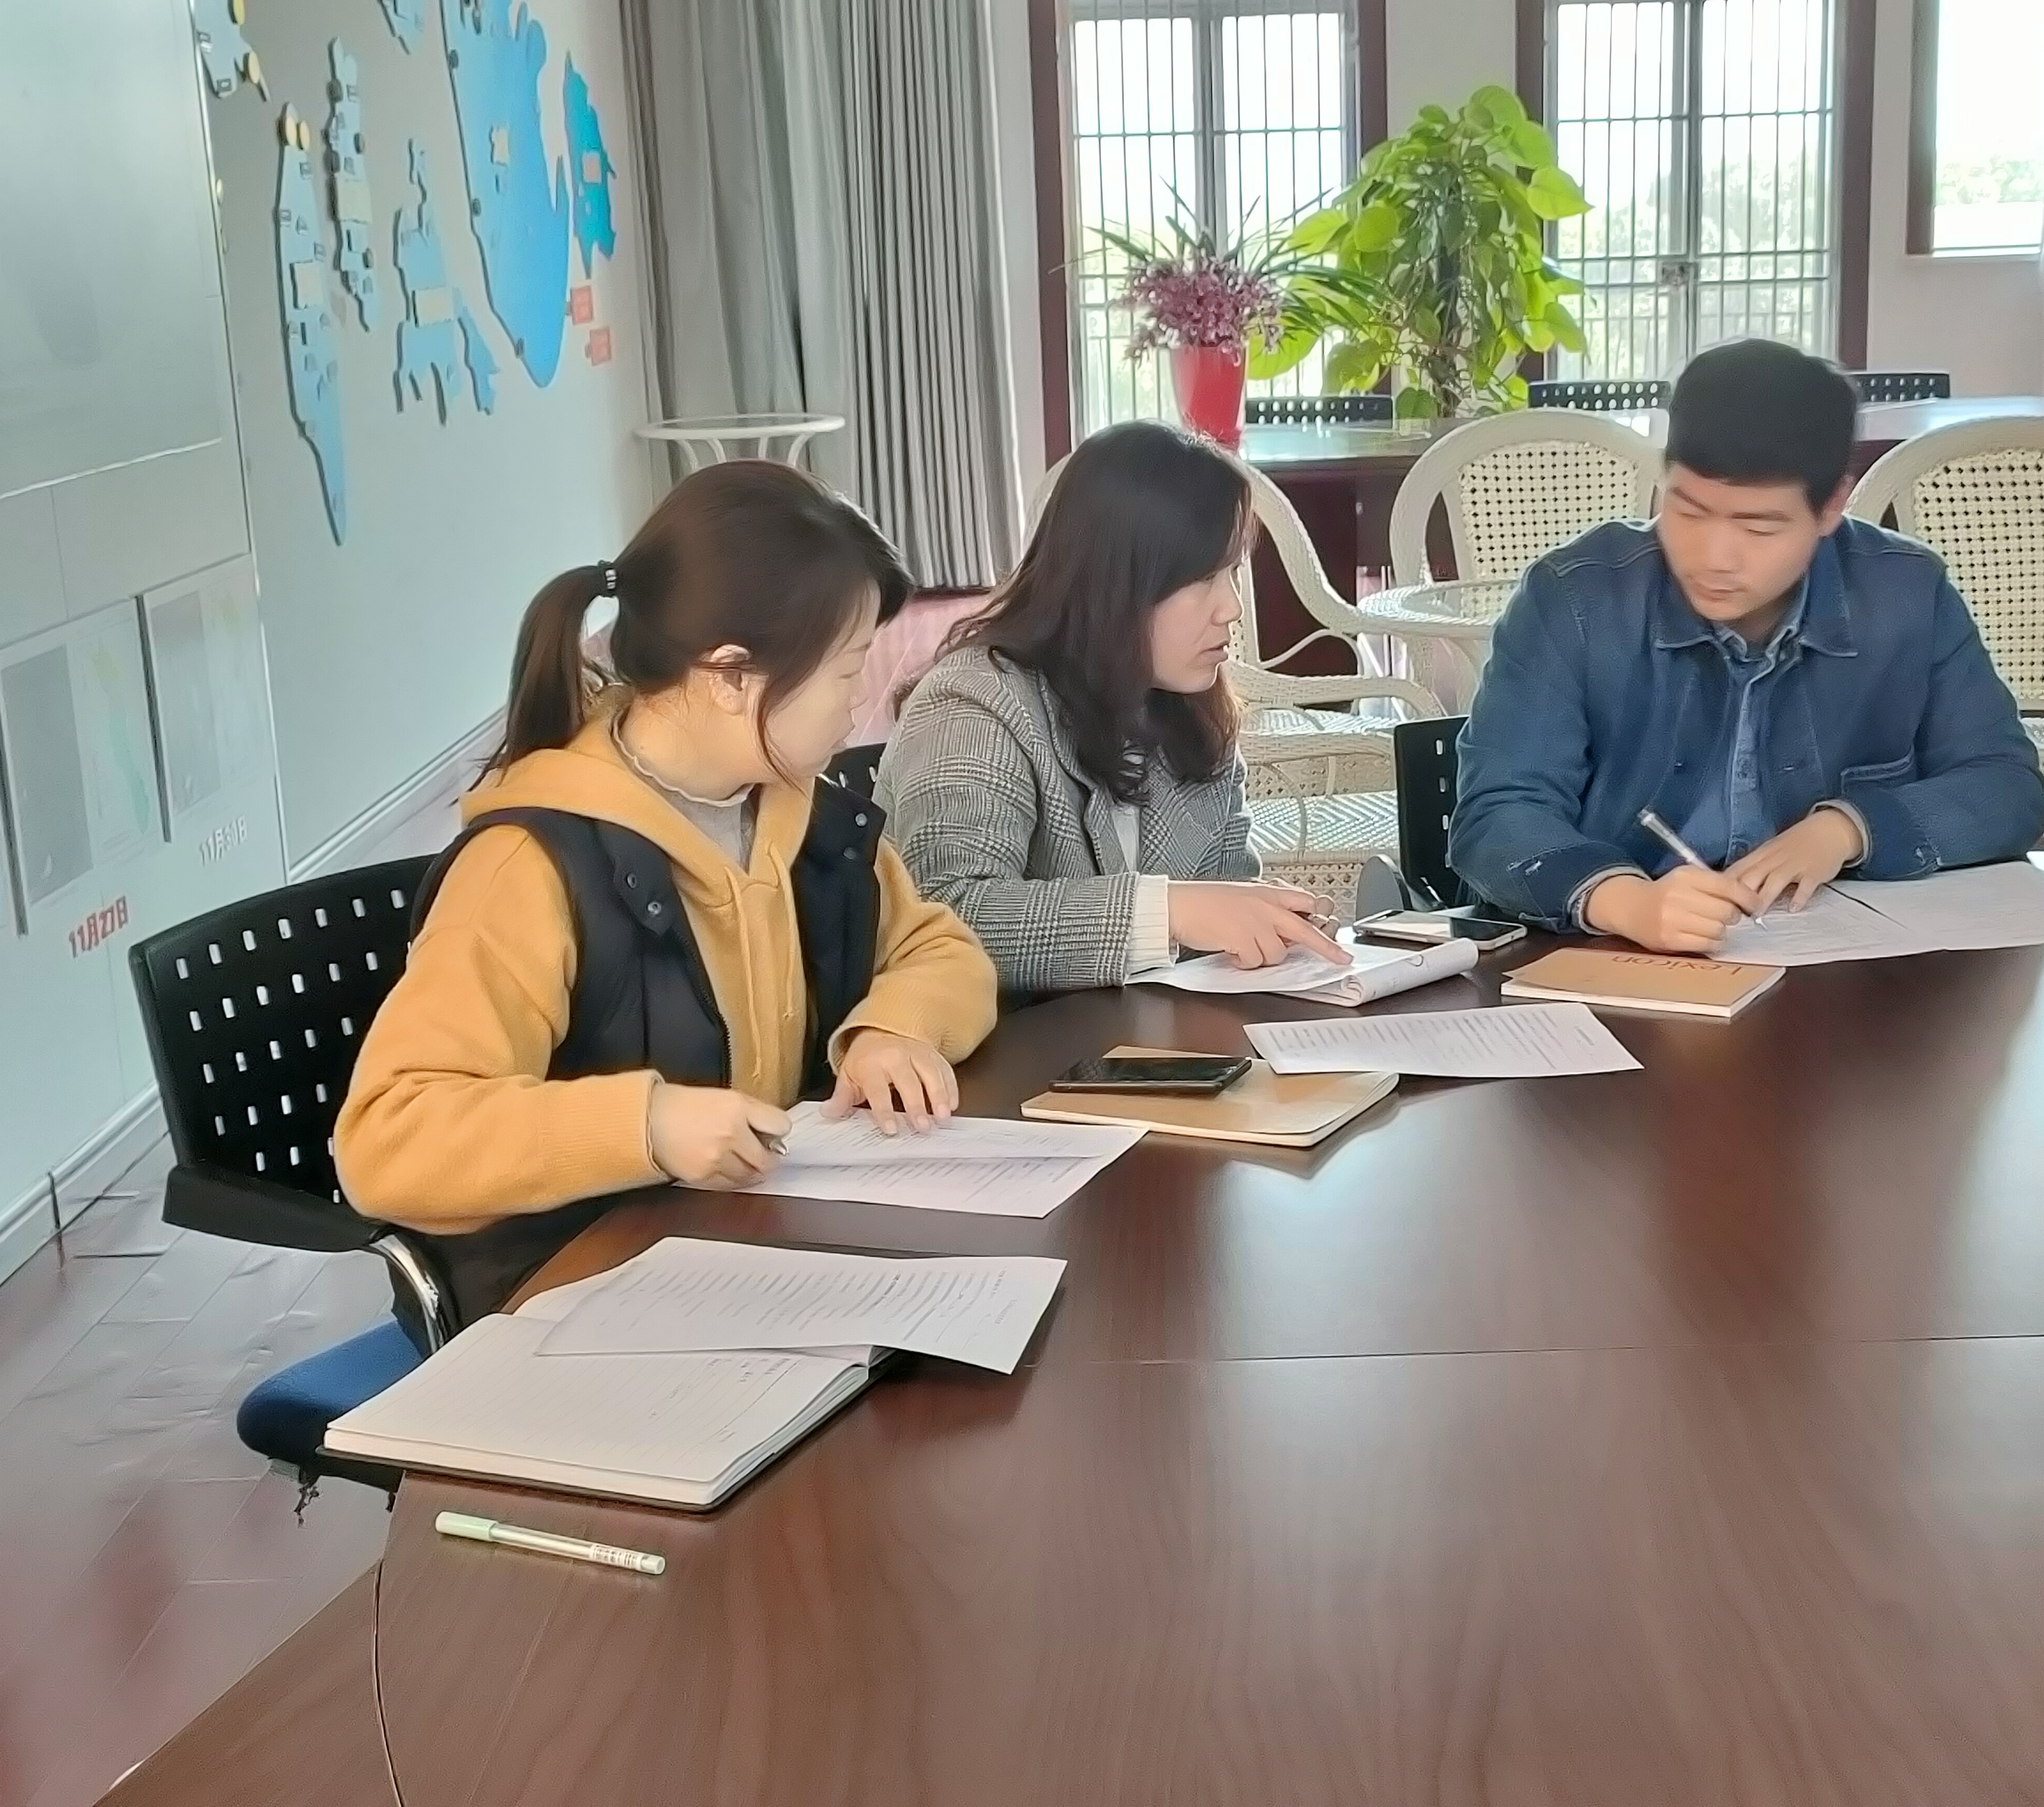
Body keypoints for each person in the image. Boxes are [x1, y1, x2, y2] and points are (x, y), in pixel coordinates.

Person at [336, 461, 999, 1325]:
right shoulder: (528, 868)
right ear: (729, 676)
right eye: (847, 671)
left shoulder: (802, 813)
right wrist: (644, 1126)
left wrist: (893, 1027)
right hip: (574, 1302)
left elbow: (940, 947)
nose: (859, 703)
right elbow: (390, 1139)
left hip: (757, 1259)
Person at [1451, 339, 2044, 953]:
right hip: (1618, 961)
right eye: (1688, 512)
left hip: (1841, 964)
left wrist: (1848, 829)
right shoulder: (1575, 598)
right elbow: (1497, 813)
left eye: (1758, 527)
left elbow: (2006, 786)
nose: (1714, 558)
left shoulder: (1906, 594)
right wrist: (1624, 902)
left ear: (1831, 507)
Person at [878, 420, 1348, 995]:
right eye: (1204, 578)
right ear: (1116, 582)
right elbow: (950, 916)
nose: (1231, 608)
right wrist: (1169, 911)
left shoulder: (1194, 709)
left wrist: (1267, 930)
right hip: (1009, 1048)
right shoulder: (974, 704)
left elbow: (1219, 901)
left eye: (1232, 573)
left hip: (1151, 1038)